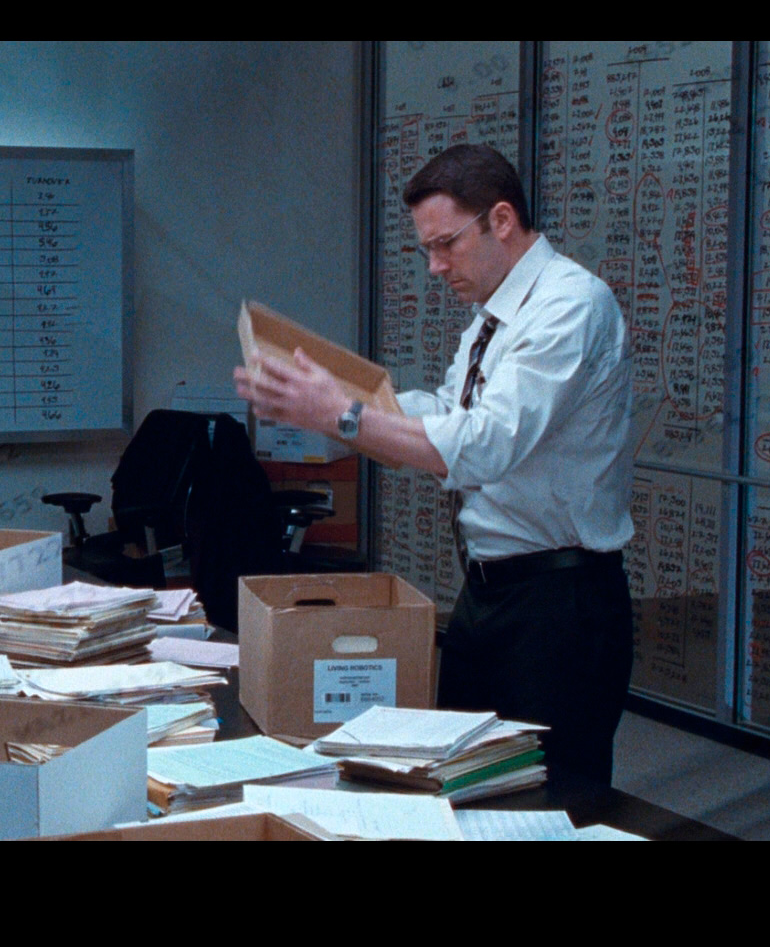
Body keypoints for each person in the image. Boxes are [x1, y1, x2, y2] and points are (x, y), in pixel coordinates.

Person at [233, 143, 636, 792]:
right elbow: (451, 412)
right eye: (427, 249)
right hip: (489, 593)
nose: (435, 267)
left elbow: (484, 445)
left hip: (561, 604)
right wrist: (336, 407)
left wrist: (344, 416)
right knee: (462, 784)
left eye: (446, 244)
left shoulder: (570, 305)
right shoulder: (492, 319)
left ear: (501, 220)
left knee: (550, 801)